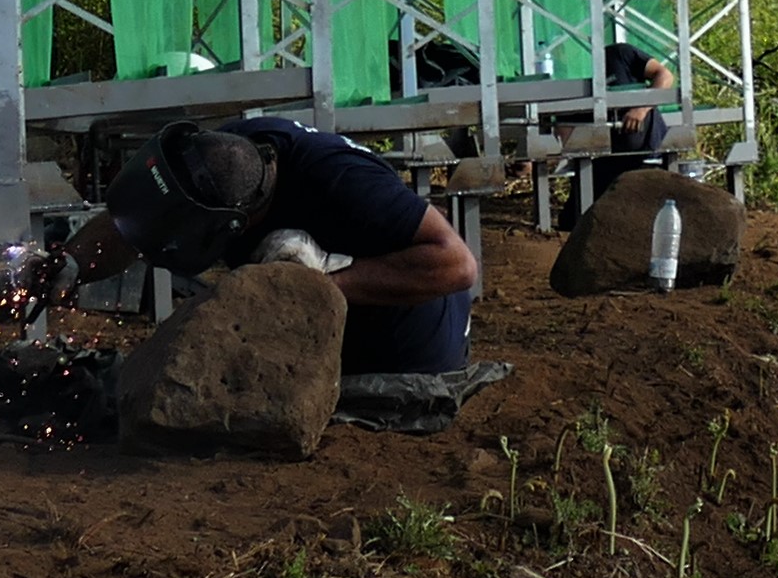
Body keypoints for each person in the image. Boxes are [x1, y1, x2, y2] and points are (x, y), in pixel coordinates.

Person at [85, 115, 506, 428]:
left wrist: (318, 283)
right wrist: (67, 264)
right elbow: (137, 220)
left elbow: (457, 264)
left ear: (238, 220)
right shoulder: (226, 153)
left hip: (409, 354)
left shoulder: (341, 179)